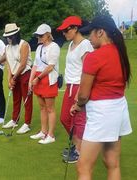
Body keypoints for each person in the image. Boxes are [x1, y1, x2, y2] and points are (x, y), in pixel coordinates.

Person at [70, 15, 132, 180]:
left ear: (100, 32)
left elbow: (83, 95)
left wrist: (78, 105)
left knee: (83, 166)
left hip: (101, 113)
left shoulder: (94, 57)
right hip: (119, 109)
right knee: (112, 162)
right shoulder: (121, 53)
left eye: (90, 33)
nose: (88, 37)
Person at [57, 16, 94, 163]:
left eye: (66, 30)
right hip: (70, 86)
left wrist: (80, 93)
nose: (64, 33)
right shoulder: (71, 44)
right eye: (63, 31)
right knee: (65, 118)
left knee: (79, 121)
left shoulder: (85, 45)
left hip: (79, 86)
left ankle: (80, 151)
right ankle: (78, 145)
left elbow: (87, 71)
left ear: (75, 28)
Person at [29, 24, 60, 144]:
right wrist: (31, 80)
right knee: (42, 107)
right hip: (38, 77)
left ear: (48, 34)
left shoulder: (54, 47)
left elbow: (51, 66)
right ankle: (43, 131)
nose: (39, 37)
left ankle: (51, 135)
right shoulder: (39, 48)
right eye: (38, 35)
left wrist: (38, 78)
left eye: (41, 35)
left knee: (50, 108)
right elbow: (35, 65)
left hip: (48, 78)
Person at [0, 23, 33, 134]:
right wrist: (10, 79)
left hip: (25, 74)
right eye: (7, 37)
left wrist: (15, 77)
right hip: (15, 75)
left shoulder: (24, 44)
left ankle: (27, 124)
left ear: (16, 35)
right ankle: (14, 120)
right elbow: (9, 65)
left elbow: (23, 64)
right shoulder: (7, 47)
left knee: (26, 99)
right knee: (16, 98)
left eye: (11, 36)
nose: (9, 39)